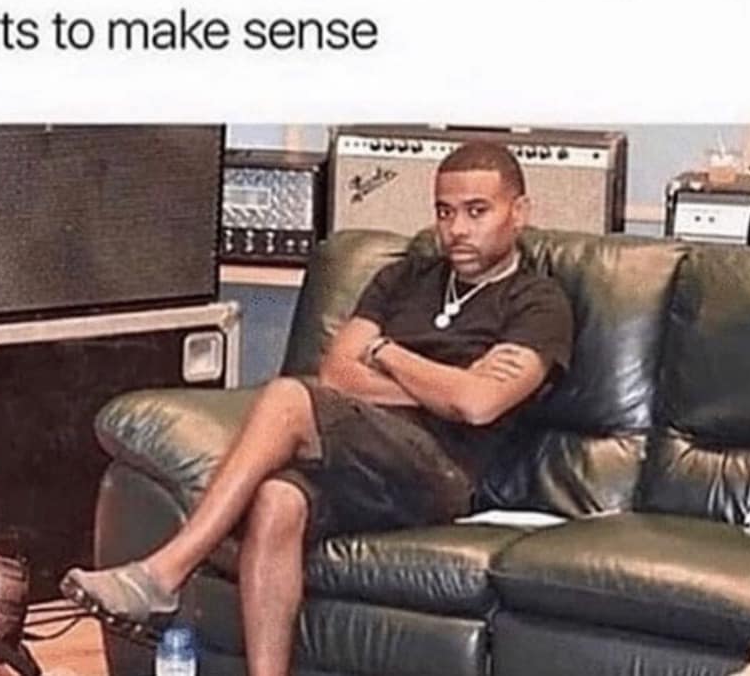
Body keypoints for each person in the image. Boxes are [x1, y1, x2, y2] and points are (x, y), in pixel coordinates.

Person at [60, 141, 573, 676]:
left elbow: (478, 405)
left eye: (476, 211)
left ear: (519, 212)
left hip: (445, 471)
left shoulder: (538, 302)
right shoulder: (404, 278)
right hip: (359, 455)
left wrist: (386, 352)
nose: (457, 229)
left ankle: (164, 572)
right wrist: (447, 384)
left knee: (287, 397)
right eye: (445, 212)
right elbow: (337, 373)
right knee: (278, 499)